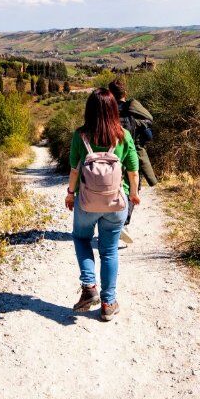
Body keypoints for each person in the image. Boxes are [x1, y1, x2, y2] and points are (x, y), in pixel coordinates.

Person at [66, 88, 139, 321]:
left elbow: (75, 170)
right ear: (113, 110)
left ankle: (89, 286)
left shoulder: (81, 135)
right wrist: (134, 194)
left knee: (81, 239)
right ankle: (108, 303)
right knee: (109, 250)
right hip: (116, 203)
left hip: (87, 202)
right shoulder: (123, 136)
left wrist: (70, 194)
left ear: (89, 110)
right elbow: (133, 171)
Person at [107, 78, 156, 244]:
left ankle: (110, 221)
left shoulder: (106, 112)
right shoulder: (133, 113)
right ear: (125, 94)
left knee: (107, 187)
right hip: (131, 154)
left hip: (109, 155)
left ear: (110, 94)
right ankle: (123, 223)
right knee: (132, 188)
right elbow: (149, 133)